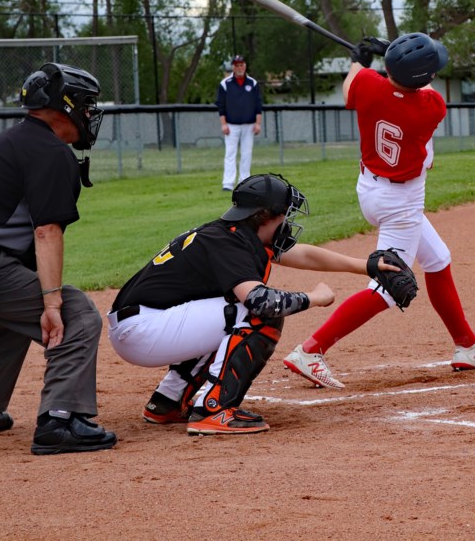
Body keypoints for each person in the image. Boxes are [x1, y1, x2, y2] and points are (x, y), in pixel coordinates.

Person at [282, 33, 475, 390]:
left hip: (371, 189)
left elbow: (354, 84)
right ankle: (311, 350)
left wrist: (360, 59)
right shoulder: (432, 106)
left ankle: (466, 345)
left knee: (437, 258)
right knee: (390, 287)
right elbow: (414, 90)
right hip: (402, 205)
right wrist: (391, 58)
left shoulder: (367, 85)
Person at [106, 173, 405, 435]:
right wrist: (314, 298)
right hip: (143, 331)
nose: (287, 221)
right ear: (264, 216)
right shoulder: (229, 244)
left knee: (230, 311)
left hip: (144, 325)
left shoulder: (236, 235)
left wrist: (367, 265)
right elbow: (262, 301)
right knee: (257, 313)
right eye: (283, 215)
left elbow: (303, 254)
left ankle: (168, 401)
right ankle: (213, 409)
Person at [0, 62, 117, 455]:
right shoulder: (50, 151)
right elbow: (46, 232)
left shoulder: (14, 140)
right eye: (86, 105)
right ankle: (61, 420)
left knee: (12, 323)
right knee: (76, 313)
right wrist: (51, 303)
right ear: (64, 106)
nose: (89, 114)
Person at [216, 55, 264, 191]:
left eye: (241, 64)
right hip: (231, 125)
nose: (239, 67)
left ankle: (244, 183)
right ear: (233, 67)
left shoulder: (253, 83)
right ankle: (228, 183)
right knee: (230, 154)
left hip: (249, 125)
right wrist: (223, 124)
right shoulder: (225, 83)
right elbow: (221, 105)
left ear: (245, 66)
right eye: (237, 65)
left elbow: (258, 104)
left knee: (246, 153)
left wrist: (258, 123)